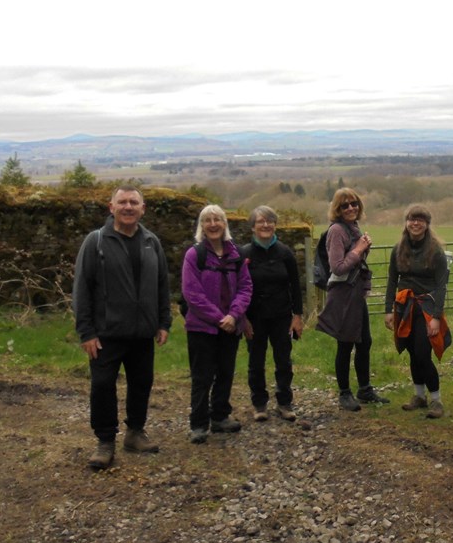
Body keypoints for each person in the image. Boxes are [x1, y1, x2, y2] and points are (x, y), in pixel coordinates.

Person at [73, 185, 172, 469]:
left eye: (134, 202)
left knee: (141, 384)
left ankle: (135, 433)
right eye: (122, 202)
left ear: (143, 209)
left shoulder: (152, 242)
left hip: (143, 333)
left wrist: (163, 322)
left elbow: (162, 285)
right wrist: (87, 332)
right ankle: (105, 442)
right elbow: (82, 289)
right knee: (103, 386)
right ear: (111, 207)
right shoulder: (96, 242)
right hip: (105, 335)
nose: (128, 207)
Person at [181, 204, 253, 444]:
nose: (213, 224)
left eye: (218, 220)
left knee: (225, 373)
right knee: (202, 376)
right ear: (201, 226)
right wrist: (219, 318)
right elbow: (192, 294)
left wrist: (234, 315)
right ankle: (199, 424)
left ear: (225, 224)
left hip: (231, 326)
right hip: (202, 328)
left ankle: (220, 417)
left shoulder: (236, 254)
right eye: (207, 220)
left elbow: (245, 287)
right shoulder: (195, 255)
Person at [316, 188, 390, 410]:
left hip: (355, 293)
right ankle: (345, 393)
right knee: (345, 343)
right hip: (342, 294)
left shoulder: (353, 228)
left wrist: (363, 248)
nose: (351, 208)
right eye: (345, 205)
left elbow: (357, 263)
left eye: (354, 203)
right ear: (337, 210)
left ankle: (365, 390)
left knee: (364, 342)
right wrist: (359, 249)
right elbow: (337, 267)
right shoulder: (337, 231)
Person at [385, 204, 451, 419]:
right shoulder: (398, 249)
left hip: (426, 309)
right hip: (404, 308)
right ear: (406, 222)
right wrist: (388, 311)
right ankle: (419, 396)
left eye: (420, 220)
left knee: (423, 354)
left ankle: (436, 400)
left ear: (427, 224)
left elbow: (441, 286)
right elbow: (391, 281)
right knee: (412, 352)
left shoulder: (436, 252)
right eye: (412, 219)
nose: (415, 223)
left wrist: (436, 318)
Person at [241, 205, 303, 423]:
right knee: (256, 362)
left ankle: (284, 403)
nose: (265, 225)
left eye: (270, 221)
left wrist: (297, 316)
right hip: (254, 318)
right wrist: (242, 318)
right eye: (260, 221)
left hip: (281, 316)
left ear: (275, 225)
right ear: (253, 226)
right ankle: (259, 404)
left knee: (283, 361)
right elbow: (238, 288)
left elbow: (296, 286)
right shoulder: (244, 254)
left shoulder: (285, 253)